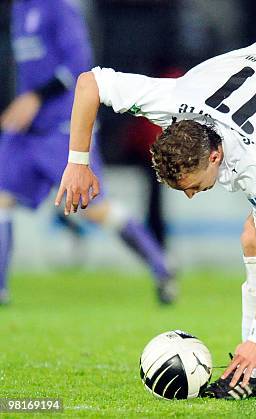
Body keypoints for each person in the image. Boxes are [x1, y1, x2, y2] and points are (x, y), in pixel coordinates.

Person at [52, 26, 256, 399]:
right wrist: (77, 162)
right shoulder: (168, 101)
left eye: (192, 185)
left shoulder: (255, 164)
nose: (190, 196)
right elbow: (90, 82)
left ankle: (252, 372)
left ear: (216, 155)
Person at [0, 0, 175, 305]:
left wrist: (35, 98)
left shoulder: (59, 8)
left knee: (94, 208)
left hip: (62, 126)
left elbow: (79, 65)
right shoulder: (19, 8)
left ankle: (162, 267)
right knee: (1, 198)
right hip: (27, 130)